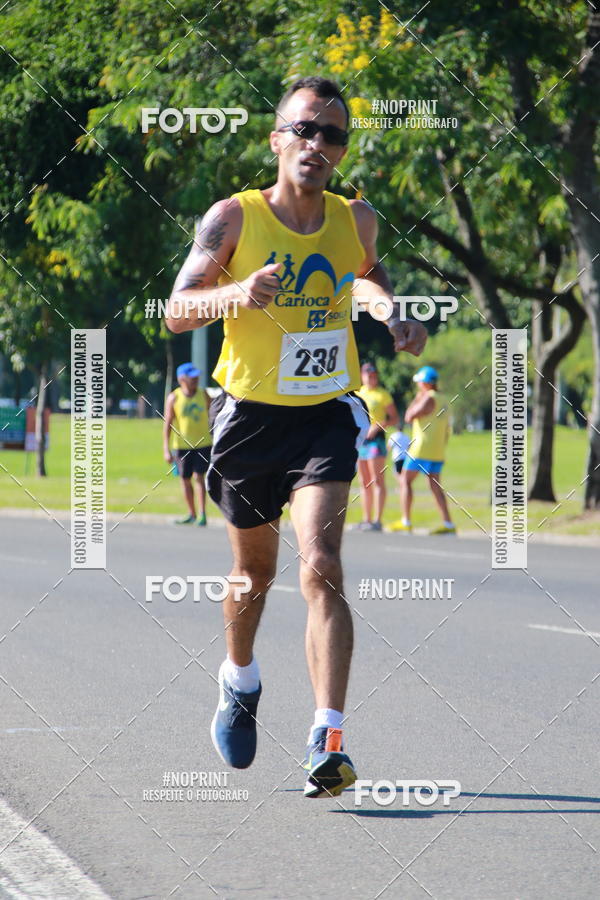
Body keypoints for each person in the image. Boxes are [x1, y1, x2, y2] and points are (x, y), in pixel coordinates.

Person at [166, 75, 427, 798]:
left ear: (342, 151)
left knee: (323, 560)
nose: (318, 144)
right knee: (256, 574)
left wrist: (390, 314)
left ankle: (327, 737)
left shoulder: (356, 219)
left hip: (324, 411)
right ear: (277, 138)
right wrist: (237, 293)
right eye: (305, 130)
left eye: (333, 135)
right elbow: (176, 310)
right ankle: (240, 679)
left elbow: (365, 278)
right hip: (248, 417)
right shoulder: (235, 219)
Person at [394, 366, 455, 535]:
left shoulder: (427, 398)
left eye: (419, 383)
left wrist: (417, 398)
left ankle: (406, 521)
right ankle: (448, 524)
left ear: (426, 383)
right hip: (437, 450)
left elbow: (408, 416)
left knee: (405, 481)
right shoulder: (444, 399)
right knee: (435, 486)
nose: (418, 386)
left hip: (421, 448)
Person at [163, 363, 212, 526]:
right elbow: (168, 424)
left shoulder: (203, 394)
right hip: (181, 446)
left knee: (199, 477)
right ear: (182, 379)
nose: (196, 380)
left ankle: (202, 515)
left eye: (197, 377)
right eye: (192, 377)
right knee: (185, 479)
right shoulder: (174, 398)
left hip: (203, 443)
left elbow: (214, 415)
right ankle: (191, 513)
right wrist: (166, 449)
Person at [356, 362, 398, 531]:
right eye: (368, 375)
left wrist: (379, 425)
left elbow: (394, 418)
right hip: (361, 440)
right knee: (364, 481)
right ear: (362, 375)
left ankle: (377, 520)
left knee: (377, 479)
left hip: (376, 440)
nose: (371, 378)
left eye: (374, 375)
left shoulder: (383, 395)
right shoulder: (358, 393)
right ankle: (366, 519)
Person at [387, 424, 411, 530]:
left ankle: (402, 488)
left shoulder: (394, 436)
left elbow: (389, 447)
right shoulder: (406, 436)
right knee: (402, 475)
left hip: (397, 457)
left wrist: (386, 454)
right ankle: (402, 487)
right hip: (405, 457)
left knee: (398, 475)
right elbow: (410, 446)